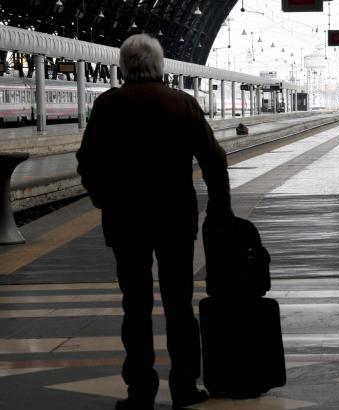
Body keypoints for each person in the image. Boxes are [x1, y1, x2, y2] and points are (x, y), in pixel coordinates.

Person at [76, 34, 232, 410]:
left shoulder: (109, 105)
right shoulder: (183, 104)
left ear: (124, 67)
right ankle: (184, 387)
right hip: (176, 218)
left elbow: (88, 161)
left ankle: (140, 390)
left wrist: (103, 198)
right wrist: (219, 209)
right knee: (179, 304)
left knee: (136, 305)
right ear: (160, 66)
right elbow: (215, 160)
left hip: (125, 219)